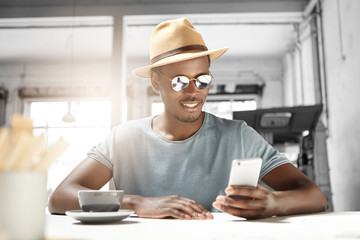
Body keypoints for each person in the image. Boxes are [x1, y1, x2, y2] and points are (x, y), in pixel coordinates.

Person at [49, 17, 327, 219]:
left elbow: (314, 195)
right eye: (180, 82)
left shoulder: (238, 135)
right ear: (156, 83)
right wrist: (137, 203)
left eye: (202, 80)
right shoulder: (124, 138)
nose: (194, 92)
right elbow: (60, 197)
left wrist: (274, 203)